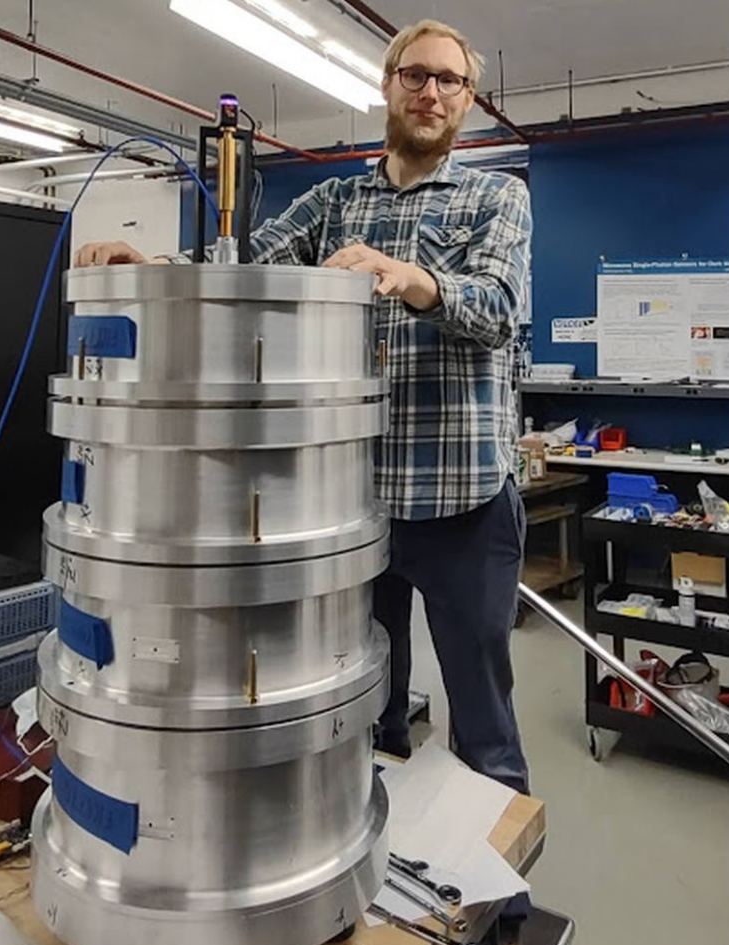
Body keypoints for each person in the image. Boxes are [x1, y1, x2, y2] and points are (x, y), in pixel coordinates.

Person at [74, 19, 532, 795]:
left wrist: (410, 276)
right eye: (413, 75)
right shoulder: (334, 201)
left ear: (467, 101)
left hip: (463, 499)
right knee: (355, 699)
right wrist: (149, 265)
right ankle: (369, 851)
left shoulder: (498, 197)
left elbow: (496, 308)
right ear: (387, 86)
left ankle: (496, 892)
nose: (429, 92)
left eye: (447, 81)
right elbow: (243, 267)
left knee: (481, 715)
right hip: (350, 502)